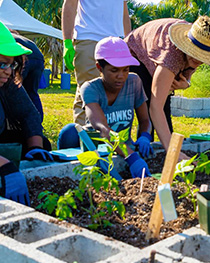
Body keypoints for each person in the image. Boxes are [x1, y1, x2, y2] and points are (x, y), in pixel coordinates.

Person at [124, 15, 210, 160]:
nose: (199, 59)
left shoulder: (204, 39)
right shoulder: (171, 56)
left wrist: (185, 83)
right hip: (135, 54)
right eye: (195, 53)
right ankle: (144, 155)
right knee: (151, 105)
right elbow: (155, 107)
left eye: (204, 56)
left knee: (165, 114)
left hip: (158, 53)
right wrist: (174, 152)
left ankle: (165, 154)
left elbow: (186, 74)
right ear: (187, 45)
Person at [58, 36, 151, 178]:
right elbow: (103, 129)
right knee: (69, 132)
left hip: (123, 146)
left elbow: (145, 120)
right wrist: (131, 157)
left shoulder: (134, 82)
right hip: (98, 149)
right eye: (114, 71)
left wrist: (144, 136)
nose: (121, 76)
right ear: (99, 68)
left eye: (125, 70)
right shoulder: (90, 89)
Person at [0, 21, 58, 206]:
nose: (8, 71)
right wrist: (5, 166)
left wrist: (35, 147)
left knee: (42, 143)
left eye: (11, 64)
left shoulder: (7, 83)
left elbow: (28, 114)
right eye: (2, 64)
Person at [62, 0, 131, 125]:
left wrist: (128, 41)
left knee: (114, 94)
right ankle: (84, 140)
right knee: (87, 92)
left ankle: (109, 139)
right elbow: (70, 4)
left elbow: (124, 11)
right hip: (89, 38)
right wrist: (67, 41)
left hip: (117, 41)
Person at [11, 31, 45, 122]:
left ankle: (17, 123)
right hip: (39, 59)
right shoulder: (23, 38)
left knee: (14, 90)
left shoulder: (6, 37)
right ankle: (38, 122)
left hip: (24, 57)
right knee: (32, 92)